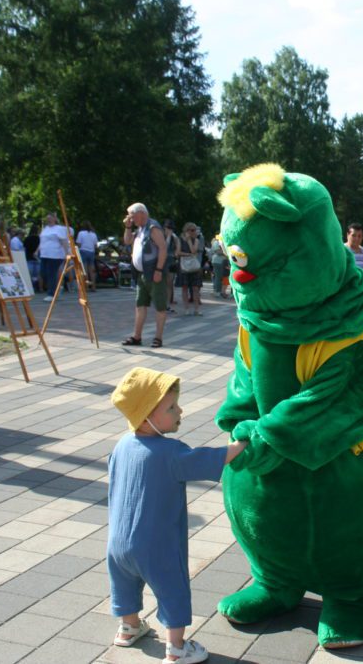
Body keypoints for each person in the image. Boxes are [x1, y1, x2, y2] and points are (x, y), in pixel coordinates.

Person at [108, 367, 244, 664]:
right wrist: (240, 444)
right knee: (173, 588)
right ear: (145, 418)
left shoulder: (121, 445)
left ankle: (128, 629)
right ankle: (177, 648)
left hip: (117, 543)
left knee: (125, 585)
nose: (180, 410)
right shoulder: (170, 451)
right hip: (157, 545)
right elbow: (206, 460)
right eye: (170, 407)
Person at [122, 203, 169, 348]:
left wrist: (159, 270)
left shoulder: (152, 227)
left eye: (132, 215)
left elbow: (162, 249)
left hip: (154, 273)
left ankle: (158, 338)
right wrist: (128, 227)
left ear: (141, 213)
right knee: (140, 305)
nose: (130, 218)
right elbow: (127, 241)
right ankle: (137, 336)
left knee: (160, 306)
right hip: (141, 274)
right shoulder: (140, 228)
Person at [37, 213, 69, 301]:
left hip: (55, 255)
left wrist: (67, 253)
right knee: (42, 272)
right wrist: (37, 250)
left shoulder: (59, 229)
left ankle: (51, 294)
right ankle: (57, 288)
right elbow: (42, 241)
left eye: (50, 218)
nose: (49, 220)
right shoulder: (45, 229)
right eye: (47, 218)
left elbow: (64, 241)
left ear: (55, 219)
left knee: (51, 273)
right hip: (44, 254)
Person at [176, 222, 203, 316]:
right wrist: (188, 254)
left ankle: (196, 309)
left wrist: (189, 241)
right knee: (184, 288)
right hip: (184, 265)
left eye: (195, 230)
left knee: (195, 288)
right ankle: (186, 309)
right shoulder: (180, 239)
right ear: (186, 230)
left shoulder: (196, 240)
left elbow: (194, 251)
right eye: (191, 230)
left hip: (194, 267)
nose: (194, 232)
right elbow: (178, 252)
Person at [76, 220, 99, 292]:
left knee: (84, 270)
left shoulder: (81, 233)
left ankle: (85, 287)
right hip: (91, 252)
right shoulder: (93, 234)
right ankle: (93, 286)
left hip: (83, 251)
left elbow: (79, 244)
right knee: (92, 270)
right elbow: (95, 245)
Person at [163, 219, 179, 313]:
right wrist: (168, 237)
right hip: (163, 262)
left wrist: (173, 237)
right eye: (168, 228)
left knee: (169, 283)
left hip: (171, 261)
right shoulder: (161, 236)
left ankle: (167, 304)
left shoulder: (174, 237)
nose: (170, 230)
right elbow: (164, 247)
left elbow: (178, 249)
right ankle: (162, 304)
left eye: (171, 228)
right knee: (163, 284)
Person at [208, 233, 229, 298]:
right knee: (218, 277)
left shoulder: (223, 242)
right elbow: (217, 252)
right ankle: (217, 292)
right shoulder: (217, 242)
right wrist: (226, 252)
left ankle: (220, 292)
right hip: (217, 261)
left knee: (222, 277)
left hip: (222, 261)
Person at [23, 225, 41, 291]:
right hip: (37, 257)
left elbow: (24, 248)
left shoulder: (27, 238)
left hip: (29, 257)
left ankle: (30, 287)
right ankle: (38, 287)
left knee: (30, 274)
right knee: (37, 274)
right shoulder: (39, 239)